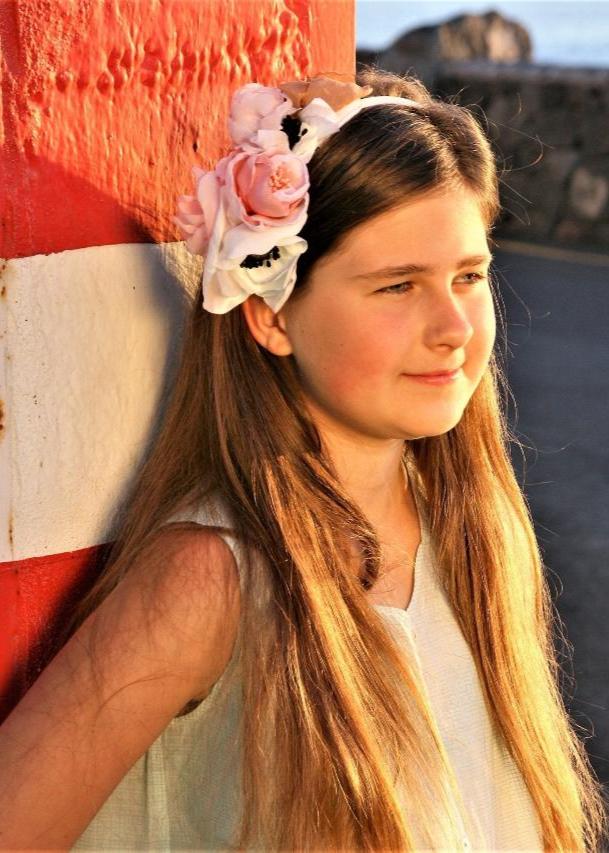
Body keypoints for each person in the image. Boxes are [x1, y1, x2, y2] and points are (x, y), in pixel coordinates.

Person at [0, 66, 606, 852]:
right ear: (269, 315)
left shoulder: (480, 533)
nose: (454, 325)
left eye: (468, 275)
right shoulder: (212, 576)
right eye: (396, 286)